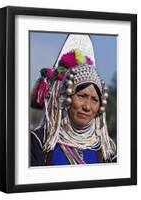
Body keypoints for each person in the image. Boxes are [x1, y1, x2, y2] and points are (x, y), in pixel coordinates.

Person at [30, 34, 116, 166]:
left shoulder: (106, 151)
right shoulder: (38, 143)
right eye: (81, 96)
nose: (87, 106)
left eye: (94, 99)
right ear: (65, 97)